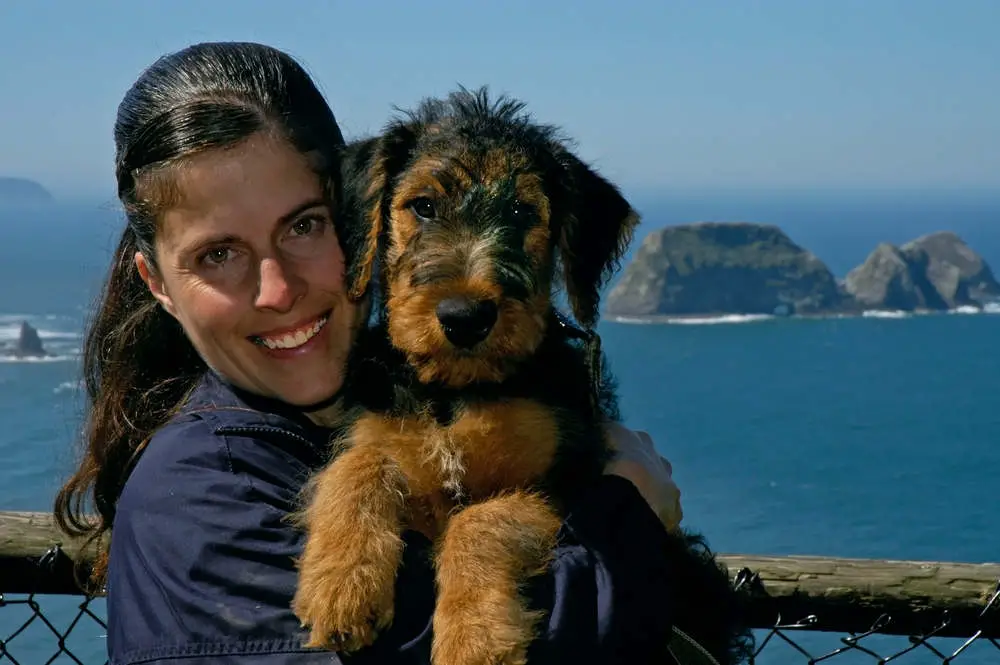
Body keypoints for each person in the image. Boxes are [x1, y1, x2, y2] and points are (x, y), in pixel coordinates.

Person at [53, 41, 684, 665]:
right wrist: (625, 521)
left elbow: (536, 501)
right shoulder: (196, 496)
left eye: (305, 225)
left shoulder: (392, 395)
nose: (278, 292)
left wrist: (482, 537)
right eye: (216, 254)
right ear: (157, 281)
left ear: (354, 223)